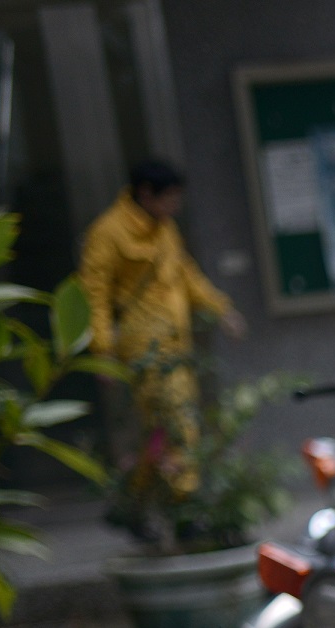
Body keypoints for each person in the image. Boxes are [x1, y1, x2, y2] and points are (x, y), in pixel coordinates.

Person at [80, 159, 244, 498]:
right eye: (169, 197)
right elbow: (94, 294)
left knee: (159, 428)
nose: (175, 205)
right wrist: (102, 350)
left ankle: (141, 499)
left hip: (176, 340)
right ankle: (185, 499)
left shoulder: (165, 228)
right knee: (177, 420)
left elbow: (186, 274)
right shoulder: (108, 232)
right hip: (143, 345)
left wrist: (220, 309)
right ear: (145, 194)